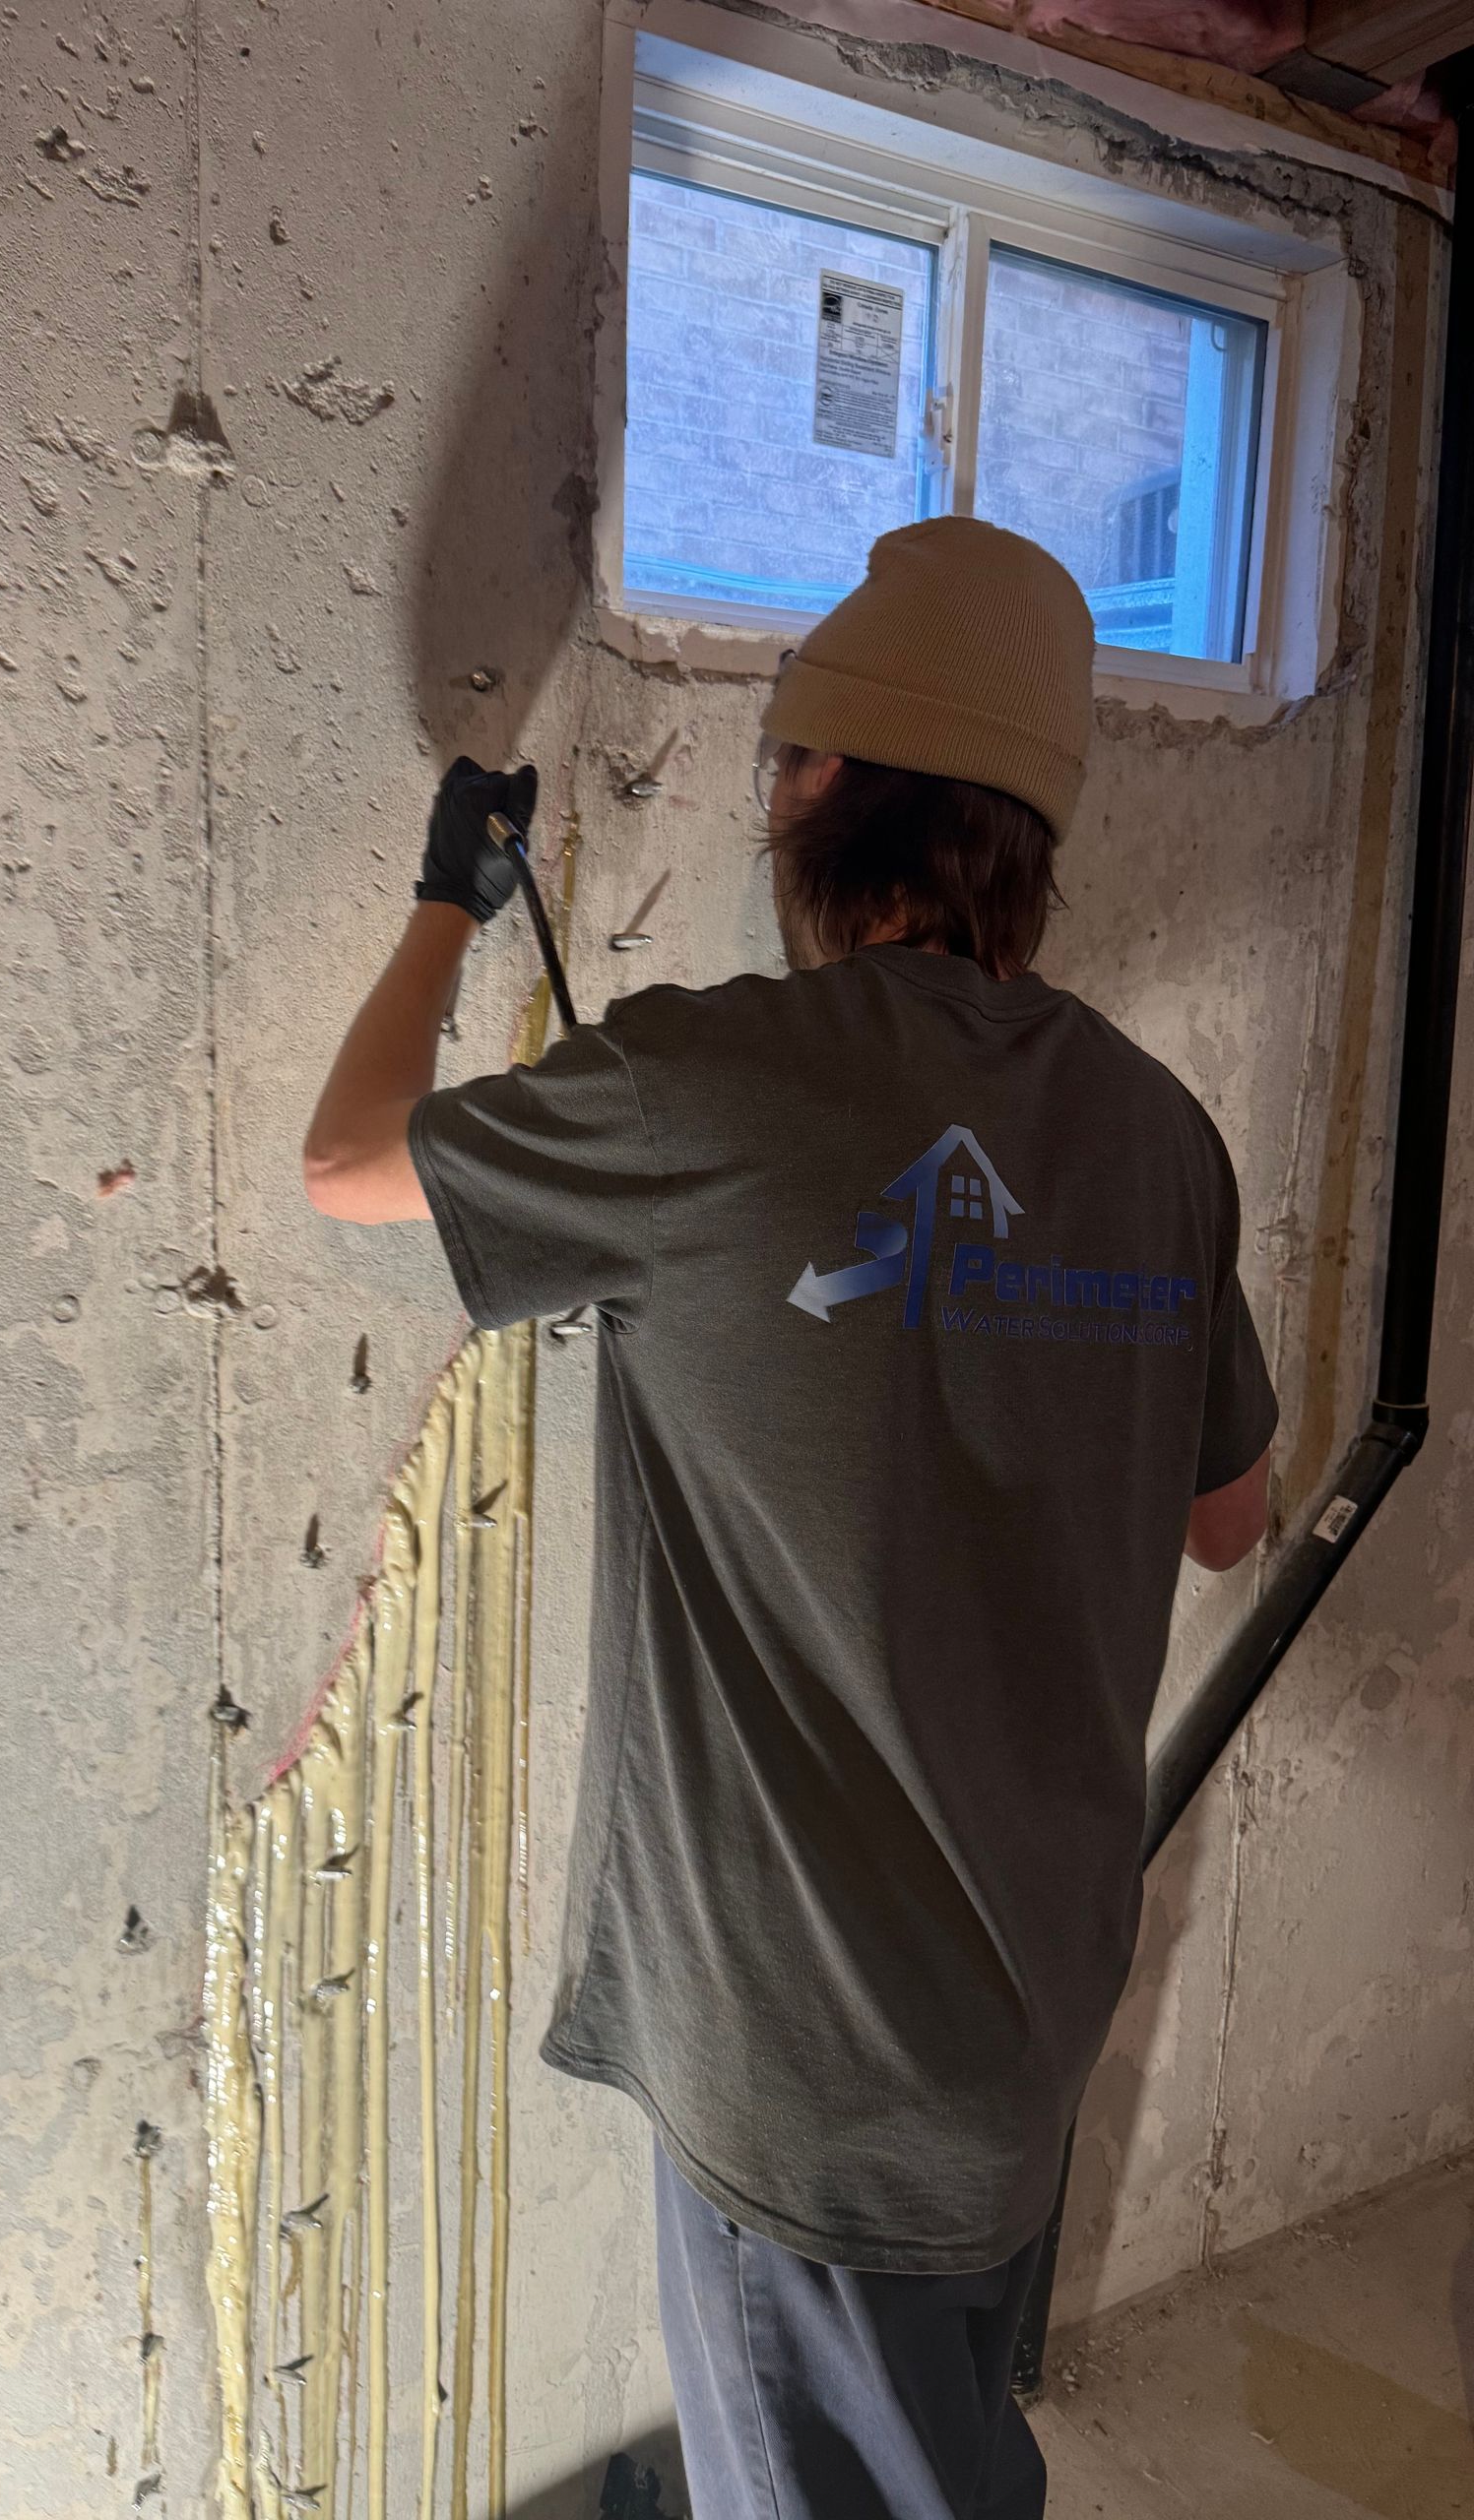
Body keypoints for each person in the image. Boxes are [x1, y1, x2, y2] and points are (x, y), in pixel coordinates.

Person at [302, 517, 1277, 2520]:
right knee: (940, 2446)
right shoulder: (1162, 1137)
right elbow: (1231, 1518)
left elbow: (345, 1160)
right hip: (1026, 2018)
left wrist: (441, 910)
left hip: (808, 2062)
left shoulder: (708, 1088)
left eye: (781, 767)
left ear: (827, 787)